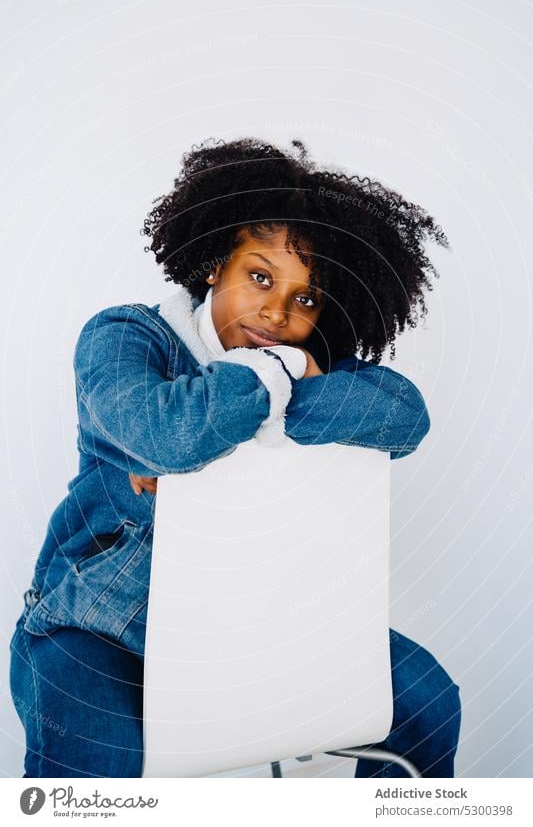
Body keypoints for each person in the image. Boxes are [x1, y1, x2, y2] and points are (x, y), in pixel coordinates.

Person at [9, 137, 461, 778]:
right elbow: (166, 435)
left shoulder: (317, 368)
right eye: (260, 276)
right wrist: (273, 375)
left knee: (427, 702)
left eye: (305, 299)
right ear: (216, 262)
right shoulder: (125, 337)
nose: (277, 311)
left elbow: (405, 417)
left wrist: (268, 389)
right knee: (99, 764)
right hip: (94, 628)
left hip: (249, 627)